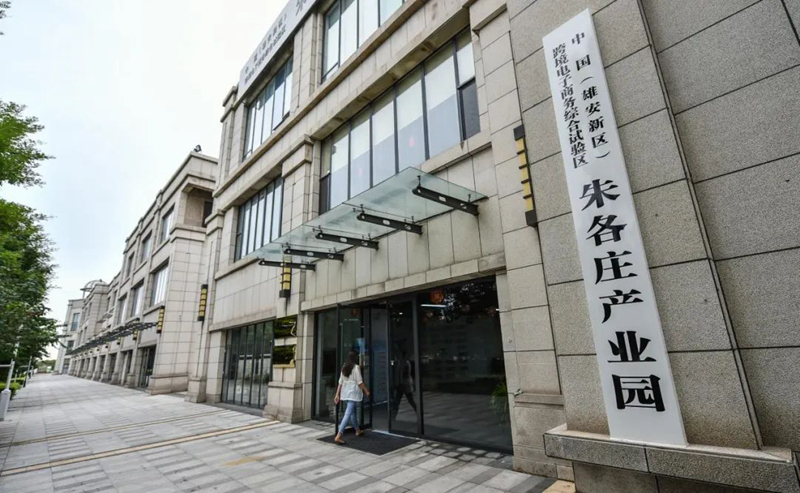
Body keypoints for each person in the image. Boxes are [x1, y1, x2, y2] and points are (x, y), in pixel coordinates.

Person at [333, 351, 370, 445]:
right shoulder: (356, 367)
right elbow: (360, 382)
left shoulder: (344, 367)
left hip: (345, 393)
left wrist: (337, 394)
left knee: (352, 413)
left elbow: (340, 382)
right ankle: (339, 435)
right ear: (355, 358)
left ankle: (357, 430)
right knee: (348, 413)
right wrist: (366, 391)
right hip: (353, 393)